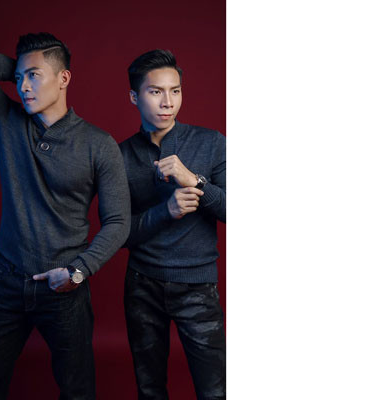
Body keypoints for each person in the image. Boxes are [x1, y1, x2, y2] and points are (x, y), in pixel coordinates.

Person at [0, 32, 130, 400]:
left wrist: (78, 271)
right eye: (18, 77)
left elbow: (119, 221)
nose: (23, 87)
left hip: (64, 287)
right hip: (7, 282)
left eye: (34, 76)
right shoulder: (7, 122)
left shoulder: (99, 145)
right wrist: (28, 67)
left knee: (78, 391)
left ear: (64, 78)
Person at [119, 49, 226, 400]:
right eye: (156, 92)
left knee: (215, 390)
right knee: (150, 390)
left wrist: (194, 180)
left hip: (197, 286)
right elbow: (119, 232)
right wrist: (165, 211)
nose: (168, 102)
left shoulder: (211, 143)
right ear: (134, 96)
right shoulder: (119, 155)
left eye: (175, 91)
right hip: (142, 285)